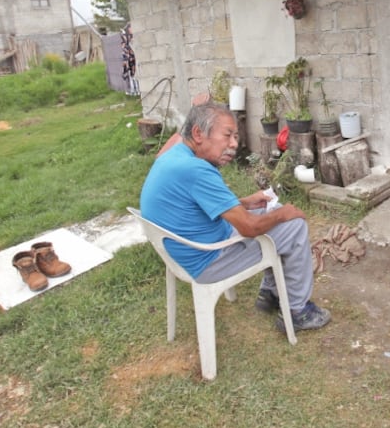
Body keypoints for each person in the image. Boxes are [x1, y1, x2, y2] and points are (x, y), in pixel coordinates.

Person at [139, 102, 331, 332]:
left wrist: (244, 203)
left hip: (186, 249)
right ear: (198, 134)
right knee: (294, 225)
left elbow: (192, 206)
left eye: (235, 137)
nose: (234, 144)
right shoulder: (197, 170)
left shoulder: (175, 156)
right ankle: (298, 311)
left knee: (267, 212)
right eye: (227, 135)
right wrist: (283, 213)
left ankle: (270, 293)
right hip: (207, 260)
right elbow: (250, 228)